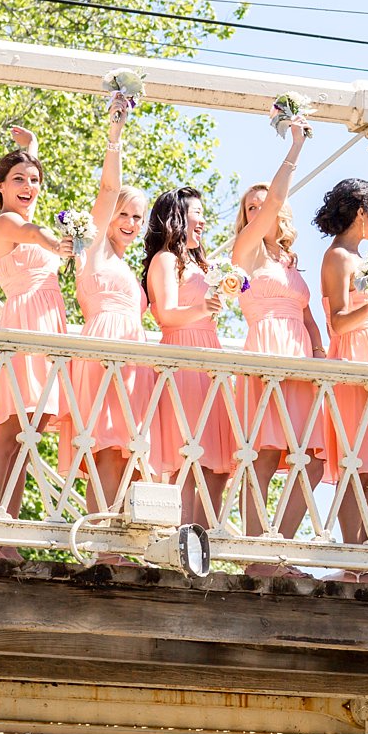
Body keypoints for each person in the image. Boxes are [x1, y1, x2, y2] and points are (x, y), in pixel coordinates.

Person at [229, 117, 327, 575]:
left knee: (311, 460)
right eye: (251, 207)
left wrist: (323, 359)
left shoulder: (291, 261)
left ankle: (277, 549)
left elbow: (308, 318)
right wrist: (295, 149)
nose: (259, 211)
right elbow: (275, 201)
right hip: (266, 351)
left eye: (262, 206)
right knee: (264, 454)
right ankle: (253, 555)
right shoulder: (245, 252)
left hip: (301, 359)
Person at [57, 102, 153, 552]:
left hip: (134, 360)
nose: (131, 224)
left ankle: (117, 542)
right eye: (124, 214)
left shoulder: (129, 270)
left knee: (124, 451)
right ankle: (103, 545)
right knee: (104, 446)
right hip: (102, 350)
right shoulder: (92, 249)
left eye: (139, 217)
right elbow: (109, 185)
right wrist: (117, 132)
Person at [0, 127, 73, 558]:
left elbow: (34, 216)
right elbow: (33, 233)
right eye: (18, 179)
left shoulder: (27, 215)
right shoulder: (6, 223)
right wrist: (56, 240)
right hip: (23, 321)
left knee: (27, 430)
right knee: (7, 427)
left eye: (34, 180)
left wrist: (31, 154)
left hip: (48, 325)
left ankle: (8, 529)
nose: (29, 186)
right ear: (0, 187)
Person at [315, 178, 368, 548]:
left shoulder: (362, 258)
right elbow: (335, 322)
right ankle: (354, 555)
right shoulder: (336, 257)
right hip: (353, 357)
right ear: (361, 211)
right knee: (359, 463)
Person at [144, 186, 230, 528]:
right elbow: (165, 314)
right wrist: (202, 307)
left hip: (210, 357)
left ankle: (203, 538)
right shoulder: (165, 259)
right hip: (183, 359)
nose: (204, 220)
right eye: (197, 212)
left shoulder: (199, 263)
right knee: (189, 460)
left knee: (217, 465)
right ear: (179, 217)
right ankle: (181, 539)